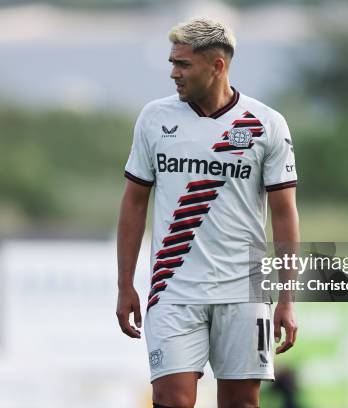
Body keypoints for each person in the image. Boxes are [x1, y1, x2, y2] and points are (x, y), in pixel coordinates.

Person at [116, 17, 300, 408]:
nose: (173, 73)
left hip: (244, 290)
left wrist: (287, 297)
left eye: (182, 64)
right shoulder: (154, 118)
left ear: (217, 66)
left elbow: (284, 214)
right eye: (172, 62)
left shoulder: (266, 124)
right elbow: (134, 202)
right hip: (173, 289)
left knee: (241, 403)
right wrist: (125, 283)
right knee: (171, 399)